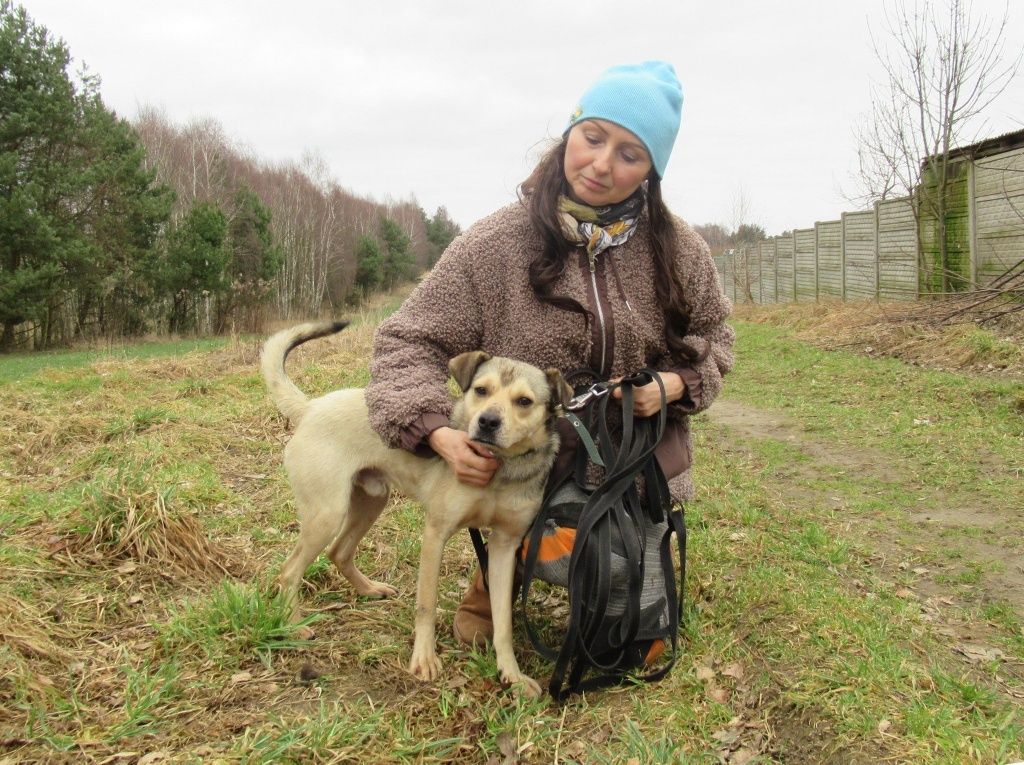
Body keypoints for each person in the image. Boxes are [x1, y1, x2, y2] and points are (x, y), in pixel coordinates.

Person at [366, 61, 734, 646]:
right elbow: (405, 342)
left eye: (630, 154)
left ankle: (621, 554)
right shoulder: (494, 244)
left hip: (633, 465)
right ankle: (496, 577)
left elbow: (716, 342)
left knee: (627, 616)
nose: (602, 164)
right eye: (593, 138)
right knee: (560, 549)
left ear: (650, 171)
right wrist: (438, 433)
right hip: (528, 461)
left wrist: (673, 385)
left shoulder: (679, 249)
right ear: (571, 133)